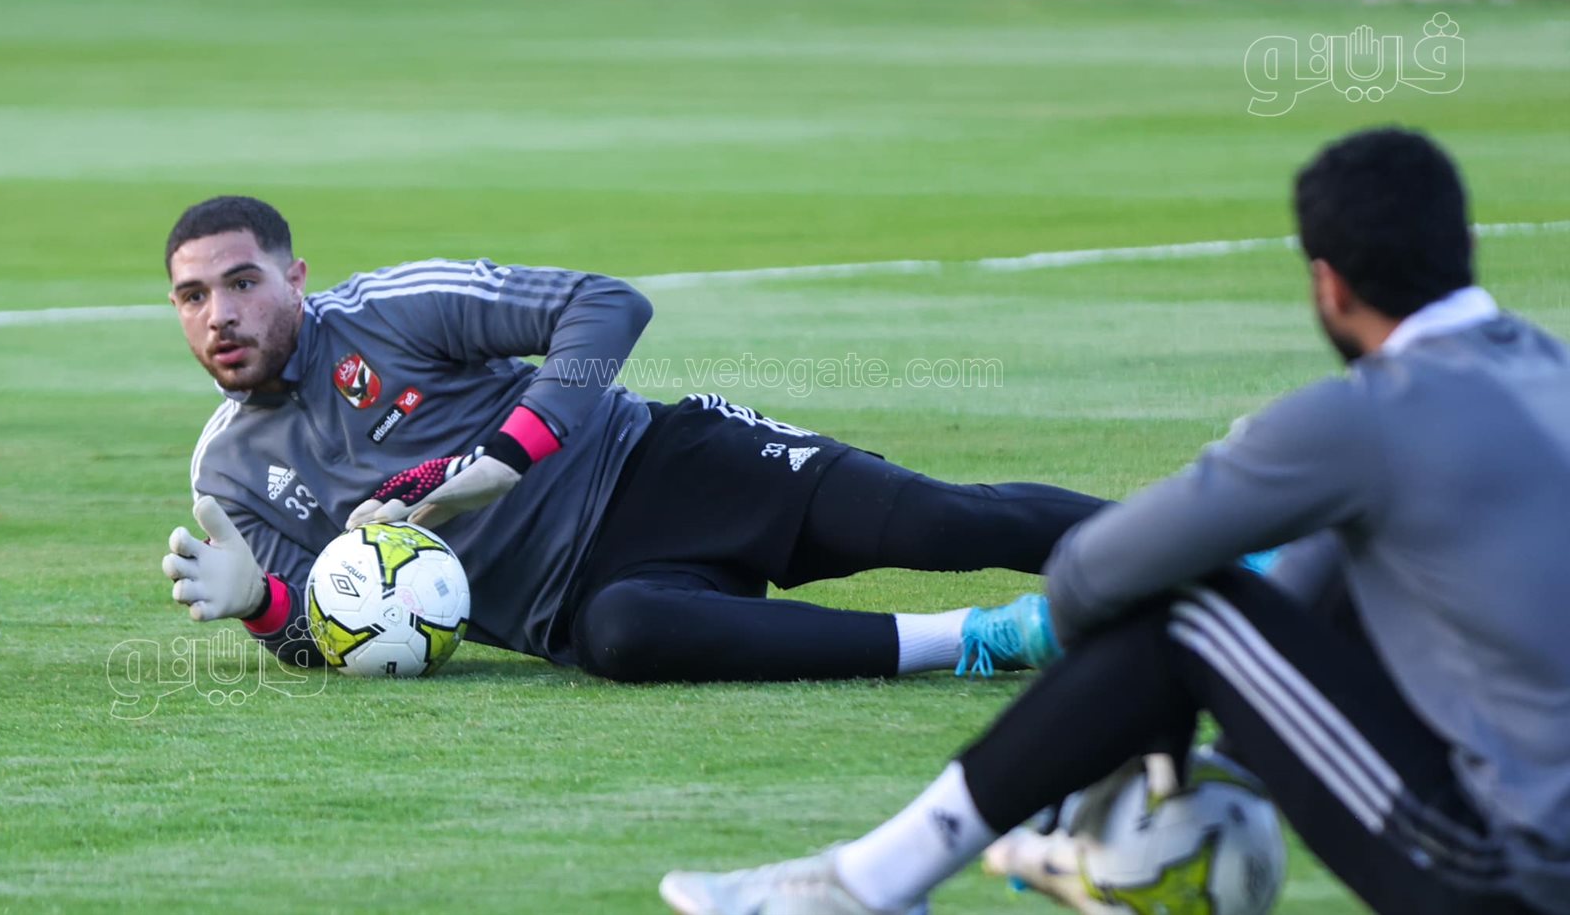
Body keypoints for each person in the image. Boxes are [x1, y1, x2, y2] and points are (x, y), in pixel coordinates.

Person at [658, 127, 1570, 915]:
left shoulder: (1361, 417)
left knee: (1188, 610)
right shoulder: (1550, 370)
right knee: (1335, 549)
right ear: (1465, 246)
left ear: (1328, 285)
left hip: (1515, 874)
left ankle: (866, 884)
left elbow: (1092, 572)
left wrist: (1108, 734)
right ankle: (1185, 805)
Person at [158, 195, 1105, 683]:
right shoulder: (225, 472)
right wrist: (263, 605)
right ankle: (980, 640)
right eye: (193, 297)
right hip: (579, 604)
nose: (220, 315)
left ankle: (1182, 539)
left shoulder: (392, 309)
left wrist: (509, 454)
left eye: (242, 283)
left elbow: (606, 304)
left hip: (666, 465)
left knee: (939, 522)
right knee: (626, 639)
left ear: (296, 278)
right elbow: (335, 630)